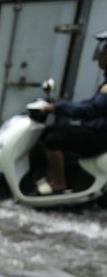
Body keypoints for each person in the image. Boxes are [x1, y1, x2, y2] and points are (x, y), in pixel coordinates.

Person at [35, 31, 107, 194]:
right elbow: (91, 104)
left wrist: (57, 107)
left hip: (100, 134)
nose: (100, 55)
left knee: (53, 139)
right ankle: (54, 175)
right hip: (97, 129)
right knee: (49, 132)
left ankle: (59, 182)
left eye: (103, 51)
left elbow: (91, 109)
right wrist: (60, 104)